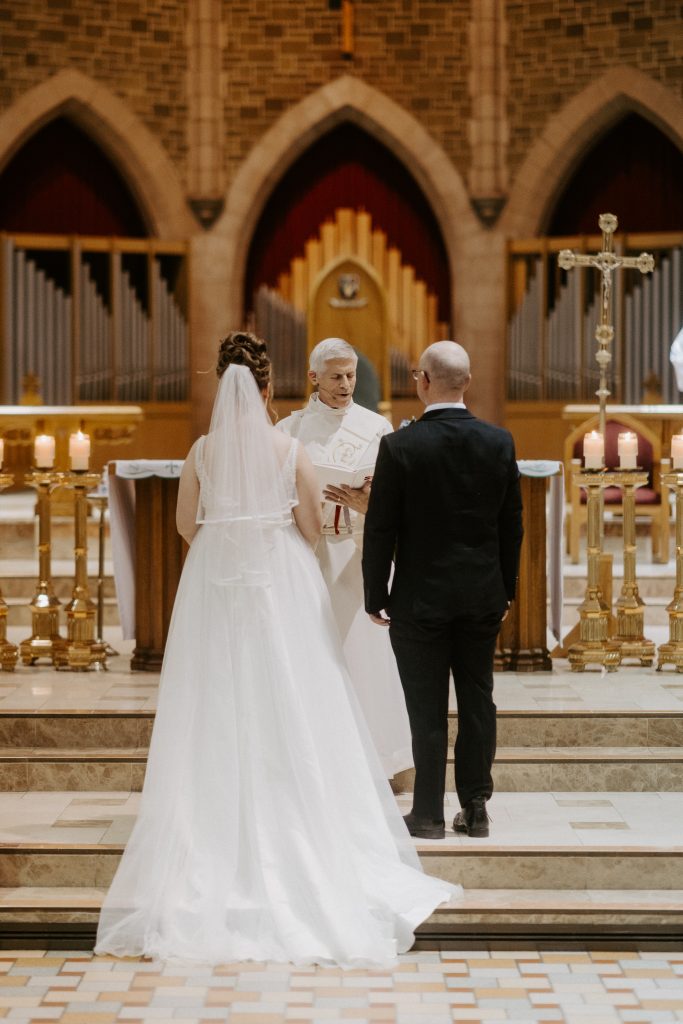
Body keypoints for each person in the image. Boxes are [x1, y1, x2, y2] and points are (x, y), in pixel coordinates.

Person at [95, 331, 456, 967]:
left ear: (221, 386)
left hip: (216, 584)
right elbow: (312, 526)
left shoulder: (201, 452)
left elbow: (185, 526)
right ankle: (304, 824)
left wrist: (225, 552)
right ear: (266, 388)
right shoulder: (288, 447)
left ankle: (213, 828)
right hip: (282, 583)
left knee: (219, 697)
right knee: (295, 693)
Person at [362, 341, 523, 841]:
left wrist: (375, 595)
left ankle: (428, 813)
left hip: (419, 598)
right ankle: (475, 809)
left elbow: (381, 528)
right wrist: (506, 589)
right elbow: (510, 525)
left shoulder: (401, 446)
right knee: (479, 702)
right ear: (467, 383)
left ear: (423, 381)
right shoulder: (499, 442)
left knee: (425, 706)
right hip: (480, 596)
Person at [277, 337, 412, 779]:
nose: (346, 384)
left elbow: (396, 506)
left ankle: (369, 765)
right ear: (313, 377)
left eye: (351, 375)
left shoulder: (377, 428)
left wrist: (366, 503)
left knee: (361, 661)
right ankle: (309, 760)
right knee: (309, 657)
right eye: (336, 376)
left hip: (355, 553)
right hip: (305, 553)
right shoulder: (289, 431)